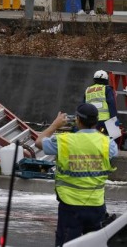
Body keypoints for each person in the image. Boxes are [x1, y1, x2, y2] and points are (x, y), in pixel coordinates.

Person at [35, 103, 117, 246]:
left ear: (77, 120)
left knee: (66, 243)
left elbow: (38, 142)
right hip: (96, 206)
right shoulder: (108, 144)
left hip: (70, 206)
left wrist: (55, 125)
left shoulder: (64, 141)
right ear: (96, 121)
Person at [83, 69, 117, 134]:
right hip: (104, 122)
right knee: (107, 140)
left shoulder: (88, 90)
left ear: (94, 79)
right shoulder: (107, 89)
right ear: (106, 80)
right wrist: (114, 119)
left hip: (90, 122)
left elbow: (83, 106)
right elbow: (111, 104)